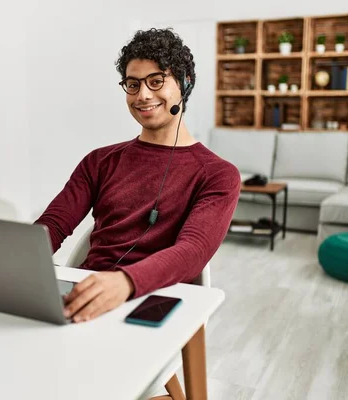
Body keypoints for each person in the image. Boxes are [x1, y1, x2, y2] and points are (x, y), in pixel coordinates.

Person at [34, 28, 241, 323]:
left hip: (156, 300)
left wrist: (124, 282)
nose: (143, 95)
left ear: (185, 83)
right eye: (133, 84)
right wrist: (19, 263)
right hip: (87, 292)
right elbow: (53, 225)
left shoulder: (218, 175)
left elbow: (192, 252)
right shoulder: (100, 161)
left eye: (156, 81)